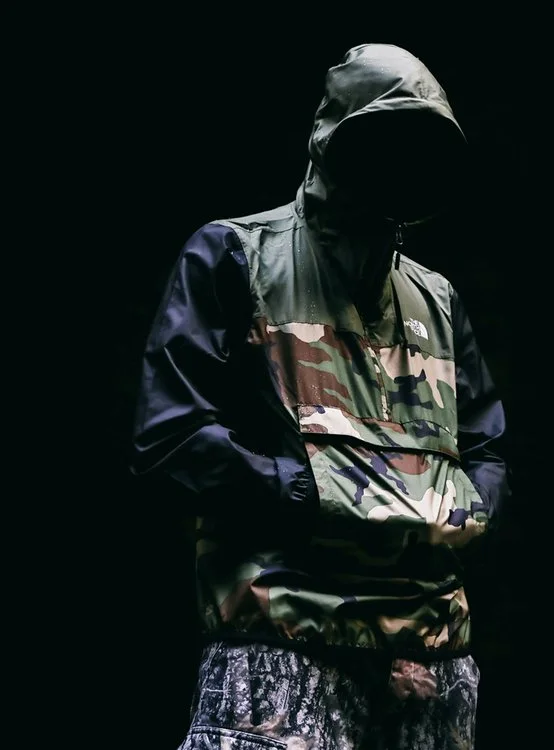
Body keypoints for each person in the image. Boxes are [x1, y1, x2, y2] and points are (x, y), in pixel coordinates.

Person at [130, 43, 510, 750]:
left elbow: (487, 445)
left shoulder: (437, 298)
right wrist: (300, 488)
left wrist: (469, 508)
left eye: (420, 146)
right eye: (383, 139)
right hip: (283, 645)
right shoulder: (234, 256)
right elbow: (169, 436)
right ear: (334, 139)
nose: (400, 163)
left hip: (431, 659)